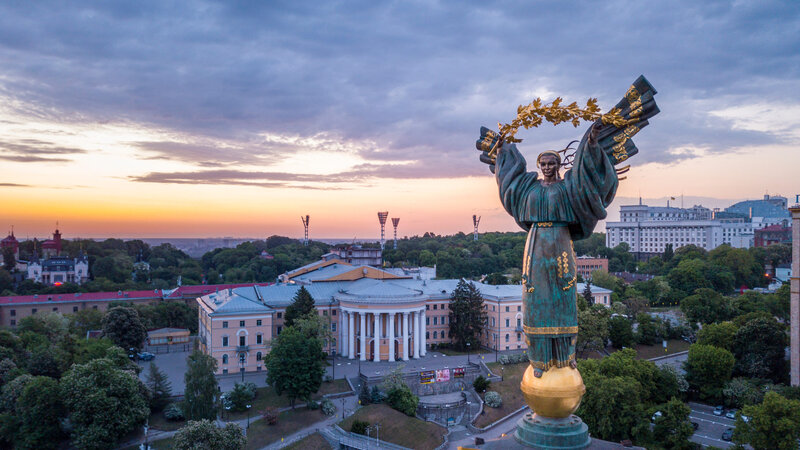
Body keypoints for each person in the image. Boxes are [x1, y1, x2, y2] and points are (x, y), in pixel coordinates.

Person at [476, 76, 659, 377]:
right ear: (539, 166)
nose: (548, 167)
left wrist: (592, 142)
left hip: (560, 243)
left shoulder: (568, 189)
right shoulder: (528, 190)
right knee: (536, 298)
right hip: (535, 246)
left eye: (552, 163)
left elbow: (587, 173)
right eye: (543, 163)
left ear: (559, 165)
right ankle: (539, 360)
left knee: (563, 297)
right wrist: (502, 148)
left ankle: (565, 356)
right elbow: (509, 178)